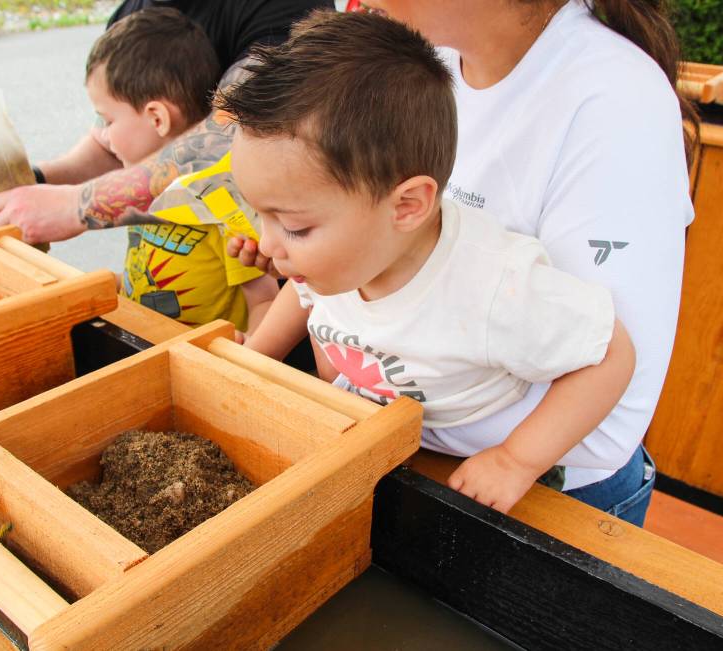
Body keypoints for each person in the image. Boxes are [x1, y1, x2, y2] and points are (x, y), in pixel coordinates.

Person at [228, 0, 695, 525]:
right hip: (395, 447)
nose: (269, 244)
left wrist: (516, 459)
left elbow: (609, 367)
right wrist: (254, 357)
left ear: (411, 204)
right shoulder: (404, 74)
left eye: (293, 226)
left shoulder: (612, 102)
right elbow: (326, 278)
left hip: (527, 495)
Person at [0, 0, 333, 243]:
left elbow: (236, 130)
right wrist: (33, 186)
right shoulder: (135, 12)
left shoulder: (279, 7)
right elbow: (113, 140)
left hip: (277, 263)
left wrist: (77, 206)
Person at [80, 8, 277, 332]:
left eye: (108, 120)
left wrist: (250, 359)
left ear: (157, 117)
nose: (102, 134)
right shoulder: (144, 196)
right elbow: (144, 280)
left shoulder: (220, 201)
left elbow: (265, 302)